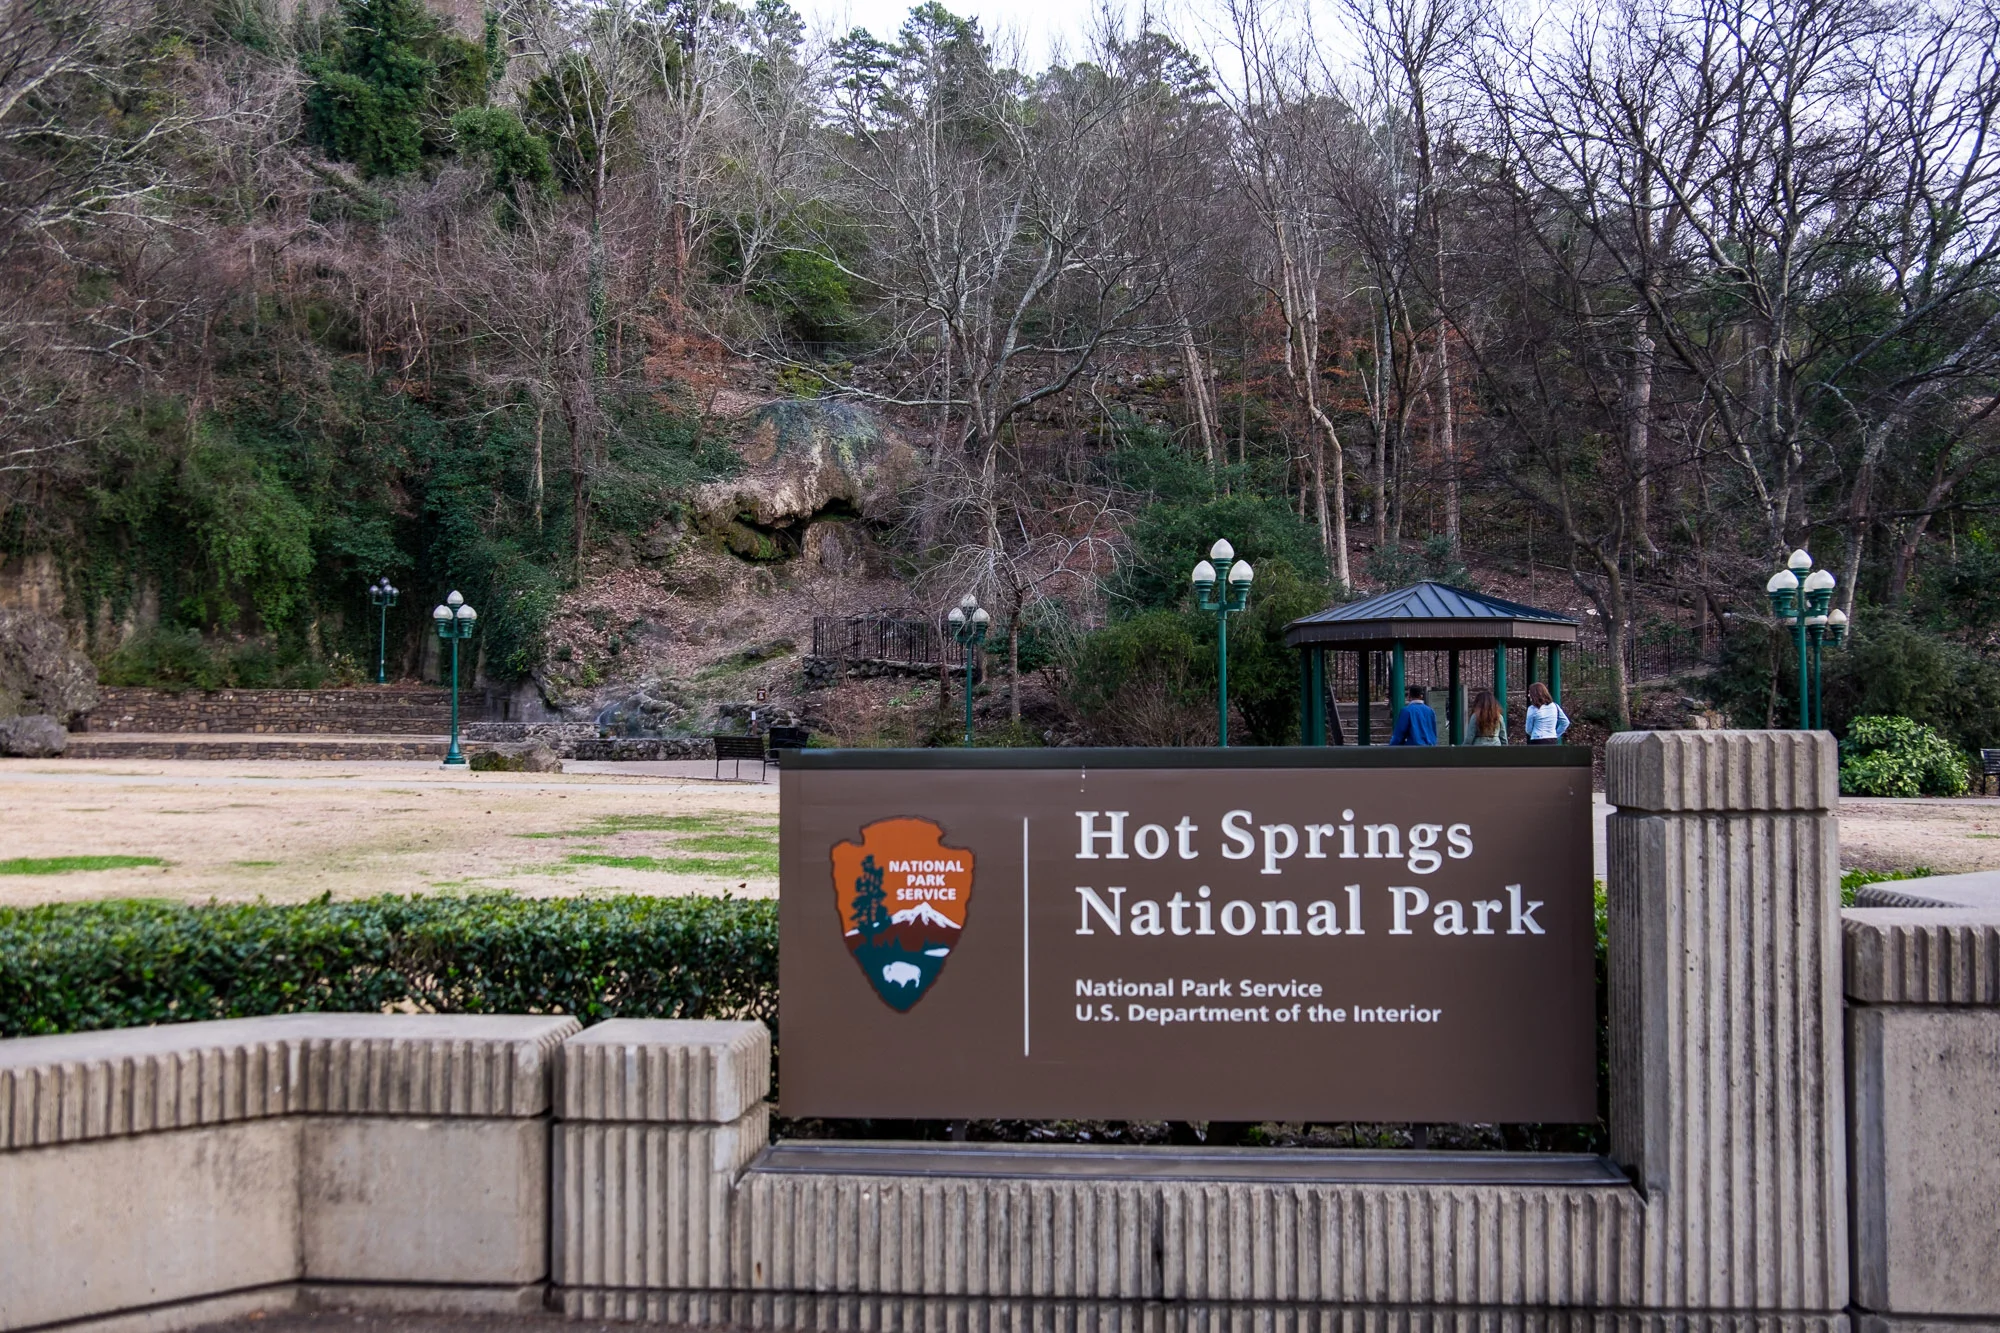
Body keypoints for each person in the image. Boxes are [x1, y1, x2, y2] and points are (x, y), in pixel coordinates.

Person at [1524, 681, 1569, 745]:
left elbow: (1528, 729)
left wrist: (1534, 734)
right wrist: (1556, 734)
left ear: (1535, 694)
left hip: (1537, 740)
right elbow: (1565, 722)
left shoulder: (1532, 709)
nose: (1528, 695)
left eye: (1530, 693)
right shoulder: (1555, 706)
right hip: (1552, 739)